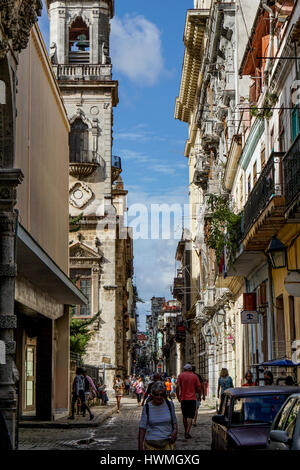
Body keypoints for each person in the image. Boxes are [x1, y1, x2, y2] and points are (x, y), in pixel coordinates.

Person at [138, 381, 178, 451]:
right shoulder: (147, 407)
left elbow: (174, 422)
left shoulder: (169, 405)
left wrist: (175, 432)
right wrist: (140, 445)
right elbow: (142, 427)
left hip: (167, 444)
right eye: (157, 394)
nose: (159, 397)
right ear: (152, 394)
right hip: (151, 445)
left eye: (161, 394)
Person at [176, 363, 201, 439]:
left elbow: (177, 387)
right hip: (192, 399)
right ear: (191, 369)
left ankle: (185, 431)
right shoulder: (195, 376)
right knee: (190, 416)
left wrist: (178, 396)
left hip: (183, 399)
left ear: (184, 369)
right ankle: (187, 432)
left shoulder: (181, 376)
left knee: (184, 416)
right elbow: (199, 387)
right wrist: (199, 396)